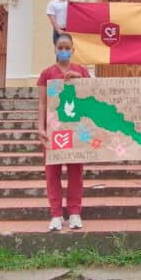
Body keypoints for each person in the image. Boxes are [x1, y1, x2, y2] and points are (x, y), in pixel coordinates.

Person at [37, 33, 91, 232]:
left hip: (77, 130)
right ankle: (56, 215)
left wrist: (80, 80)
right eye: (60, 47)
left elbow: (93, 94)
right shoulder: (47, 73)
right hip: (54, 131)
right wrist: (40, 127)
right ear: (54, 49)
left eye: (67, 47)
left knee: (76, 172)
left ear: (73, 49)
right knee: (53, 173)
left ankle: (75, 212)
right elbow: (43, 103)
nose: (63, 50)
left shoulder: (81, 71)